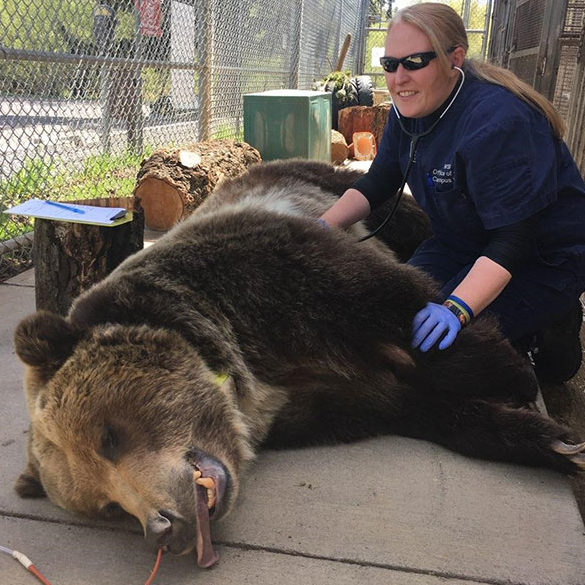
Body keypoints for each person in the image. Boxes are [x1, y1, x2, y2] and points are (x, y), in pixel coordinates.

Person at [319, 2, 585, 382]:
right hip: (462, 241)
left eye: (414, 62)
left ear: (454, 59)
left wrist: (457, 309)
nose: (398, 78)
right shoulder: (406, 109)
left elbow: (514, 240)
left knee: (455, 348)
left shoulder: (499, 122)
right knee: (391, 315)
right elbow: (379, 181)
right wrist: (321, 227)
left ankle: (554, 328)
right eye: (390, 64)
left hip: (539, 258)